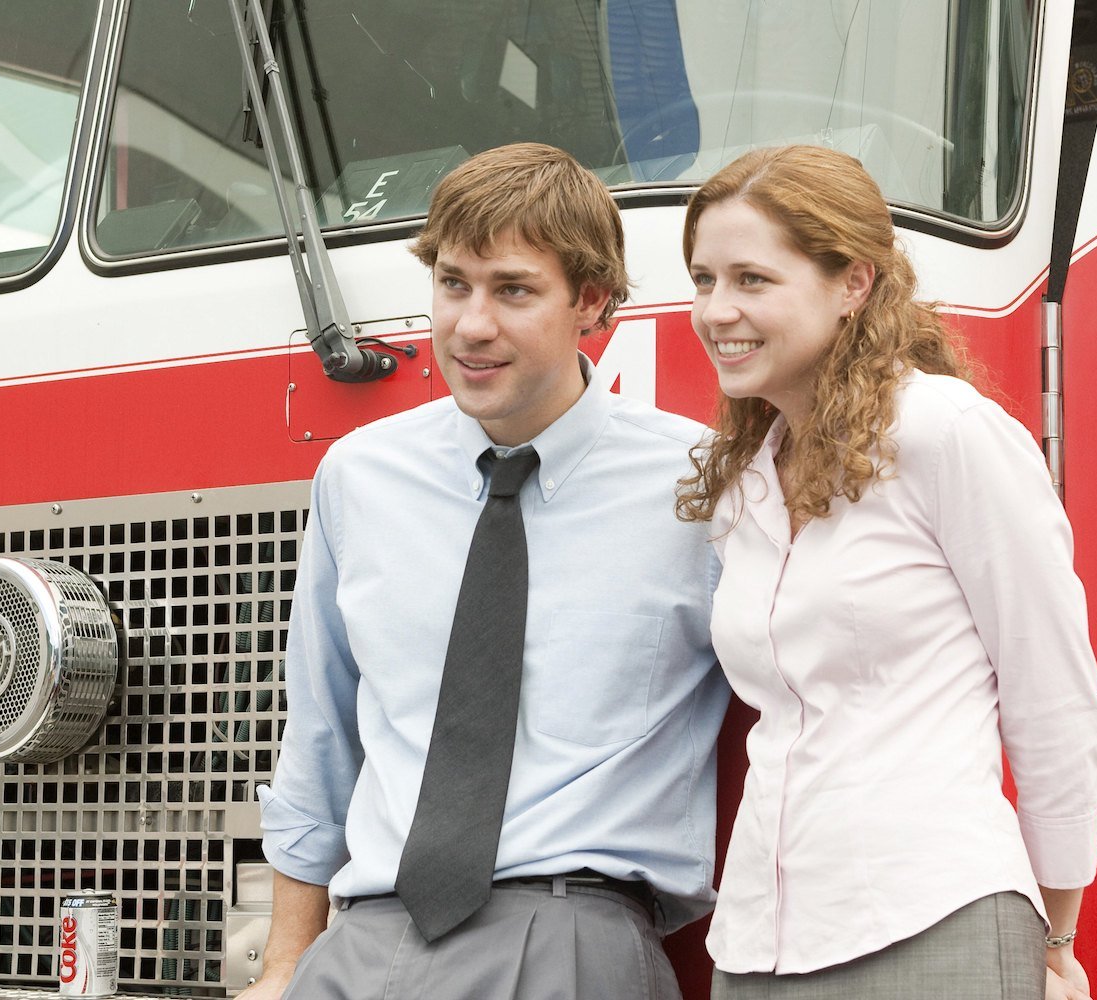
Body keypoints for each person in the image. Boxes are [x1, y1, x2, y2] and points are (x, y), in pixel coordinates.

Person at [241, 142, 730, 1000]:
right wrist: (285, 967)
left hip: (572, 934)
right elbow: (320, 734)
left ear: (592, 301)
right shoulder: (358, 477)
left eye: (513, 290)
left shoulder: (701, 486)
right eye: (453, 284)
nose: (470, 325)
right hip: (362, 942)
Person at [677, 145, 1097, 1000]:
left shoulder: (945, 431)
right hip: (758, 943)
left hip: (934, 916)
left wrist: (1054, 933)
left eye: (752, 280)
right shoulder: (743, 477)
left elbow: (1054, 694)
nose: (716, 311)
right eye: (703, 279)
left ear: (854, 284)